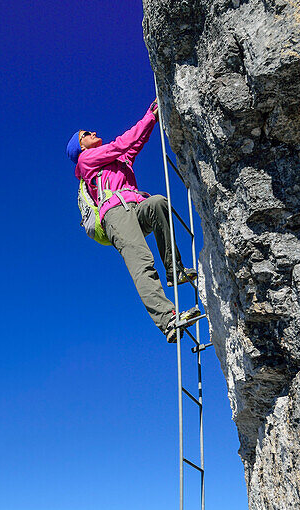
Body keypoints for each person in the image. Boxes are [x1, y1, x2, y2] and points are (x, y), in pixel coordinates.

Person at [67, 100, 203, 342]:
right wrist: (149, 115)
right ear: (80, 146)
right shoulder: (86, 161)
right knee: (142, 263)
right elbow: (123, 143)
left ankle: (175, 270)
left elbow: (136, 143)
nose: (93, 133)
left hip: (135, 207)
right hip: (115, 215)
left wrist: (153, 118)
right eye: (86, 134)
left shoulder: (117, 161)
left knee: (159, 202)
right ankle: (168, 320)